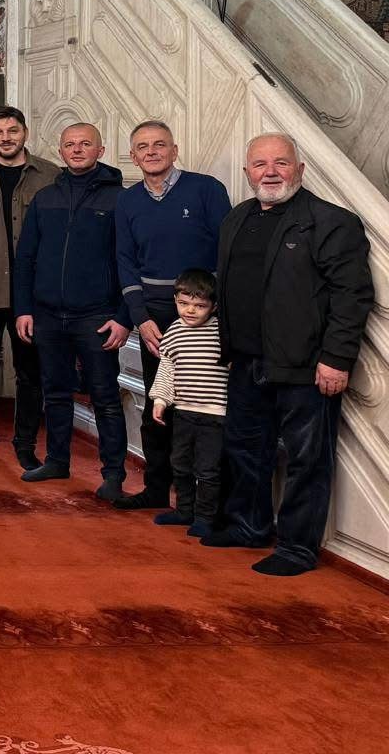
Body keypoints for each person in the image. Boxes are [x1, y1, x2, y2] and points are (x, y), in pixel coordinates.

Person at [208, 133, 373, 576]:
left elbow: (352, 296)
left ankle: (297, 549)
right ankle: (248, 526)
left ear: (299, 169)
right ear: (247, 173)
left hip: (306, 366)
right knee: (246, 450)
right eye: (260, 164)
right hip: (246, 361)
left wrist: (337, 358)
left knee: (306, 460)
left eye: (281, 162)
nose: (270, 172)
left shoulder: (332, 222)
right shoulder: (237, 218)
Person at [113, 120, 231, 511]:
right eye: (143, 147)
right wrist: (140, 317)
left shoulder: (207, 190)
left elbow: (227, 254)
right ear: (133, 157)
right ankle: (157, 489)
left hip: (203, 316)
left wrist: (208, 310)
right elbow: (125, 261)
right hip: (155, 317)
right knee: (159, 402)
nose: (151, 152)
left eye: (159, 144)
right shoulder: (127, 201)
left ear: (174, 150)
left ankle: (204, 502)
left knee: (203, 408)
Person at [13, 123, 132, 500]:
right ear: (61, 151)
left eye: (85, 144)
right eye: (69, 144)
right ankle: (57, 461)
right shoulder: (45, 197)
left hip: (97, 316)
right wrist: (23, 309)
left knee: (105, 397)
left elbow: (130, 262)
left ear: (101, 150)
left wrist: (124, 316)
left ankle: (113, 474)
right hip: (47, 315)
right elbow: (25, 258)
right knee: (55, 392)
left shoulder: (121, 200)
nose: (77, 150)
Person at [0, 105, 58, 469]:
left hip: (32, 296)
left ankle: (25, 445)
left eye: (12, 131)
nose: (6, 138)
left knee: (30, 373)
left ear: (25, 133)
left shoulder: (50, 175)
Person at [148, 268, 226, 538]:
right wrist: (160, 400)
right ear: (175, 300)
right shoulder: (174, 331)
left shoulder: (221, 331)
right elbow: (167, 368)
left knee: (208, 469)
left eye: (199, 306)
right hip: (183, 412)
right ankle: (184, 510)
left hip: (215, 415)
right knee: (180, 464)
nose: (190, 310)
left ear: (213, 306)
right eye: (183, 303)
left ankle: (205, 518)